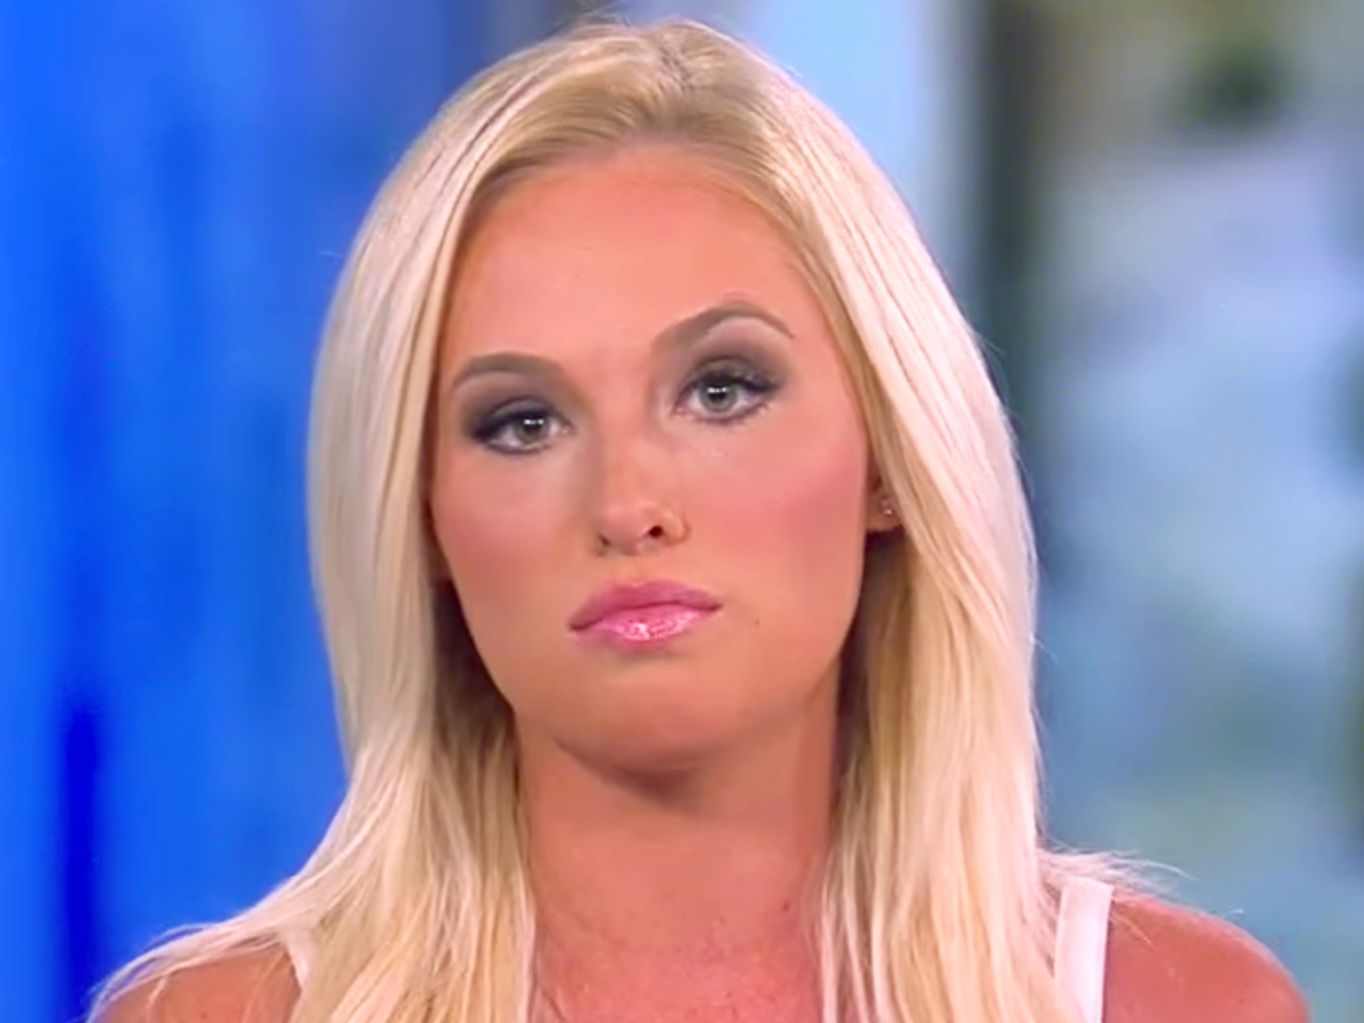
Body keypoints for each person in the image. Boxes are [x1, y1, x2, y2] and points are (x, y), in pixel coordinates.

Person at [92, 15, 1308, 1023]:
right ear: (422, 521)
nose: (627, 506)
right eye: (521, 422)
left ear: (888, 454)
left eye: (722, 391)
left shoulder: (1178, 1007)